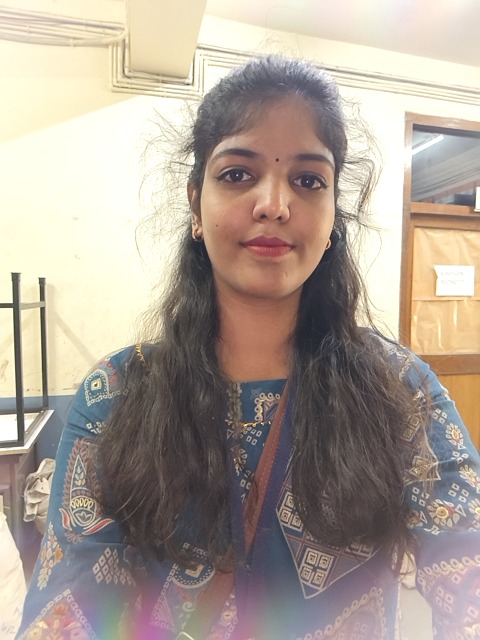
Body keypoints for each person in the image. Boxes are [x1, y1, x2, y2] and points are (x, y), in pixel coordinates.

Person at [18, 56, 480, 640]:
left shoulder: (400, 392)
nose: (274, 204)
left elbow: (466, 562)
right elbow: (70, 607)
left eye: (308, 181)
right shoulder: (116, 395)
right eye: (238, 173)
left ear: (332, 218)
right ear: (195, 204)